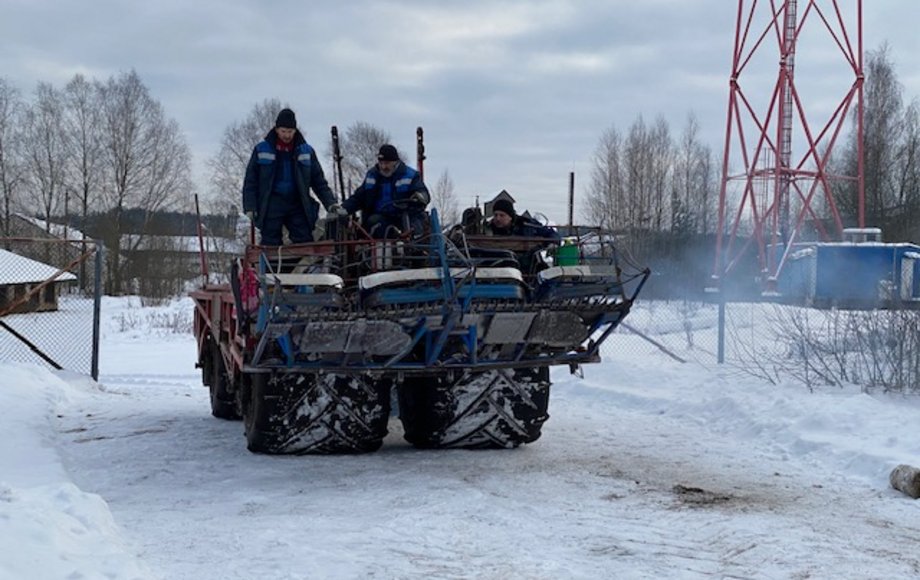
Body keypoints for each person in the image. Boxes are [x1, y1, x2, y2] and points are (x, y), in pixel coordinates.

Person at [242, 108, 347, 245]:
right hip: (271, 203)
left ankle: (302, 266)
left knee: (304, 240)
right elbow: (251, 181)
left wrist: (331, 203)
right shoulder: (262, 149)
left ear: (295, 130)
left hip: (298, 202)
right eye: (283, 131)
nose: (287, 135)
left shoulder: (306, 151)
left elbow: (318, 181)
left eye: (290, 131)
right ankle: (272, 266)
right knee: (270, 243)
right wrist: (250, 206)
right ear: (276, 129)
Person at [341, 144, 430, 239]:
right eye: (381, 163)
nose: (383, 166)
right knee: (373, 222)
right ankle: (378, 250)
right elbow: (359, 198)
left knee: (417, 228)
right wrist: (343, 209)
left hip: (406, 216)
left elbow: (423, 193)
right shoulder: (372, 176)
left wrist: (420, 197)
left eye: (387, 163)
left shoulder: (410, 175)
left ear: (395, 162)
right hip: (381, 219)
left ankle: (415, 249)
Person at [487, 198, 560, 240]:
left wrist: (552, 243)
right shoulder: (488, 229)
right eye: (495, 215)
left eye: (502, 215)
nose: (498, 218)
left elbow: (551, 234)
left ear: (510, 217)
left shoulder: (527, 225)